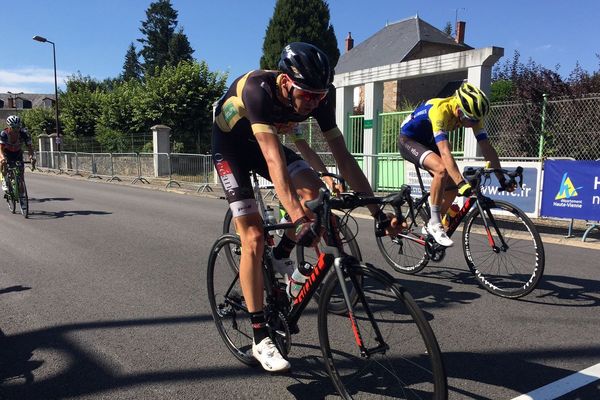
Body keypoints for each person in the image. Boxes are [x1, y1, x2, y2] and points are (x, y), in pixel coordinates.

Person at [212, 42, 398, 372]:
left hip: (261, 146)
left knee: (318, 195)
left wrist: (377, 211)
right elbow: (272, 161)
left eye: (320, 96)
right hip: (230, 150)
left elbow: (343, 157)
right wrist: (296, 216)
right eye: (308, 95)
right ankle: (259, 338)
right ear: (285, 83)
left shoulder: (320, 98)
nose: (314, 102)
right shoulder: (258, 90)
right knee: (253, 236)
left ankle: (282, 255)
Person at [398, 82, 514, 247]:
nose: (474, 124)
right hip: (409, 140)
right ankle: (435, 223)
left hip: (428, 141)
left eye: (477, 120)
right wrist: (461, 182)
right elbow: (445, 152)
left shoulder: (472, 116)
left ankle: (431, 223)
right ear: (459, 111)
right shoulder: (440, 110)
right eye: (472, 120)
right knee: (442, 170)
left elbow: (486, 147)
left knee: (451, 189)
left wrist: (502, 178)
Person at [1, 115, 35, 197]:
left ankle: (22, 196)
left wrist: (31, 157)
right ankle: (5, 180)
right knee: (3, 163)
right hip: (6, 152)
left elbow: (30, 147)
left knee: (20, 175)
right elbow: (0, 149)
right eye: (14, 127)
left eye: (18, 127)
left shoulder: (23, 134)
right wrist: (2, 158)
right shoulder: (4, 134)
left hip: (17, 153)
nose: (16, 130)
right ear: (9, 127)